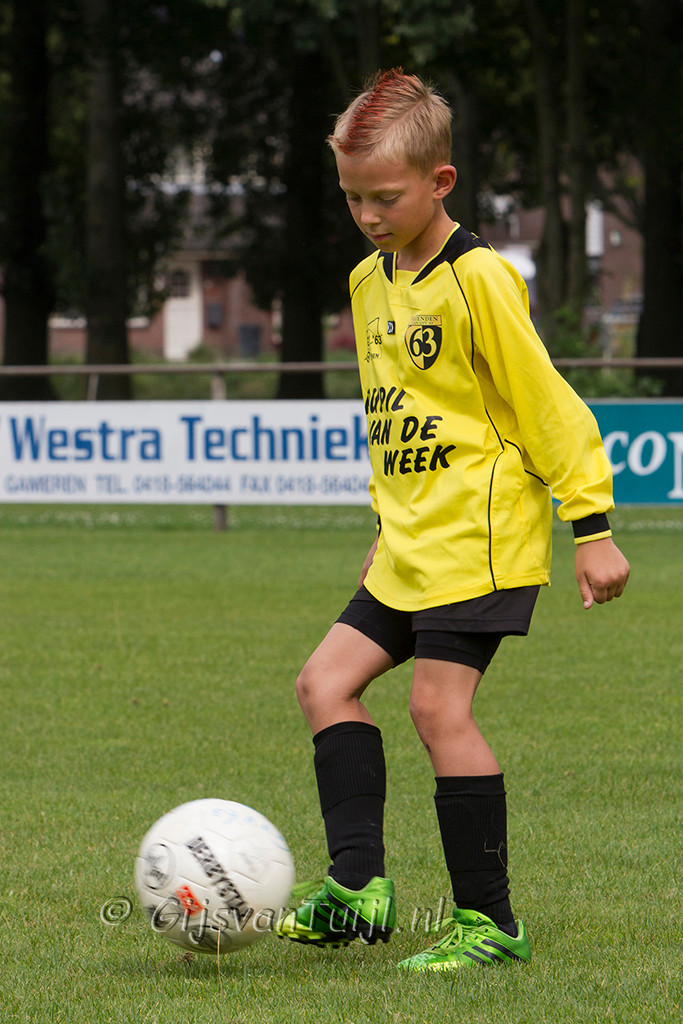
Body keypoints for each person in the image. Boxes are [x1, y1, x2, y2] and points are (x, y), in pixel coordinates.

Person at [273, 68, 630, 971]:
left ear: (440, 182)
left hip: (480, 538)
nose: (367, 216)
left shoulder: (478, 279)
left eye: (384, 198)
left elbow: (545, 405)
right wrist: (385, 526)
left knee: (437, 708)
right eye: (352, 197)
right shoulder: (367, 281)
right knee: (323, 683)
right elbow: (395, 419)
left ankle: (488, 923)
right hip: (410, 544)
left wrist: (591, 527)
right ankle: (357, 887)